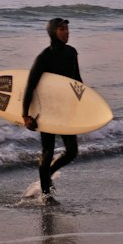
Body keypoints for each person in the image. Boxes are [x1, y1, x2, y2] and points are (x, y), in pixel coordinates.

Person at [22, 16, 81, 202]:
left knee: (72, 151)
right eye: (62, 29)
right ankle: (46, 195)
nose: (66, 32)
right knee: (47, 152)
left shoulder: (72, 53)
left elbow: (77, 81)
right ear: (53, 32)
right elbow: (30, 86)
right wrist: (26, 115)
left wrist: (83, 105)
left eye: (67, 29)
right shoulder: (44, 57)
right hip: (47, 109)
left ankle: (47, 175)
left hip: (64, 108)